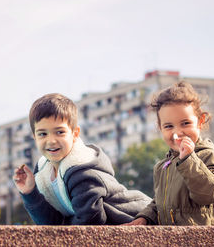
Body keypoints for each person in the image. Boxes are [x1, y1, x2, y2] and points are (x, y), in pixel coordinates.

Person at [13, 93, 151, 225]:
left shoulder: (82, 172)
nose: (51, 141)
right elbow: (50, 223)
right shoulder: (43, 171)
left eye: (60, 132)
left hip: (140, 219)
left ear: (75, 133)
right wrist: (30, 193)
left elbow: (90, 223)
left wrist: (59, 227)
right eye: (42, 134)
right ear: (34, 137)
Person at [125, 81, 214, 226]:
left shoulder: (208, 155)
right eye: (169, 126)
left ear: (200, 122)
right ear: (160, 128)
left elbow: (210, 194)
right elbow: (160, 204)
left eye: (185, 123)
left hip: (203, 237)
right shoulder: (163, 166)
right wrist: (144, 218)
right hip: (170, 239)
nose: (177, 132)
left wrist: (189, 160)